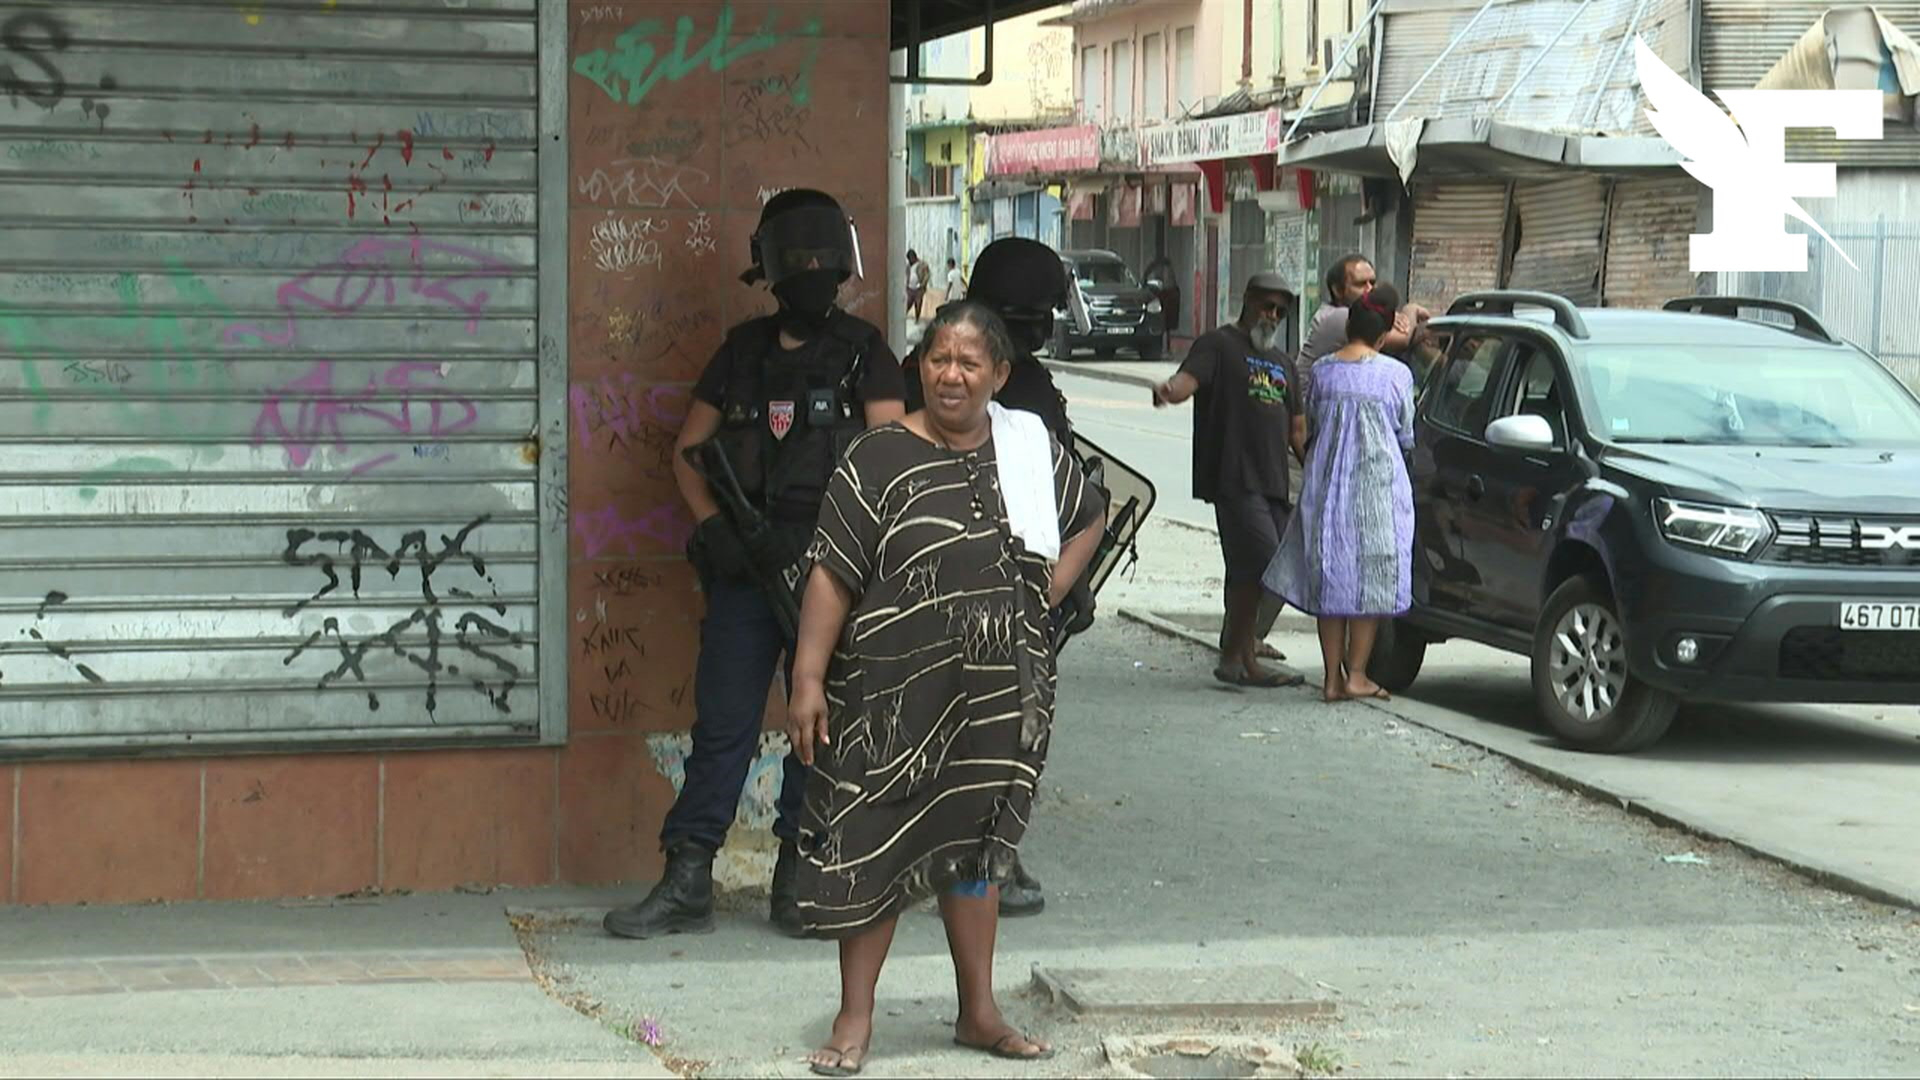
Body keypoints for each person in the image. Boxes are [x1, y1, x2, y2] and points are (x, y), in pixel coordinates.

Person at [787, 301, 1106, 1076]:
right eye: (937, 359)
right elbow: (831, 571)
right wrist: (806, 678)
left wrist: (1047, 596)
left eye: (969, 363)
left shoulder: (1029, 452)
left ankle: (978, 1013)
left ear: (999, 374)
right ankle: (854, 1020)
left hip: (1002, 698)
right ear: (918, 366)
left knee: (978, 846)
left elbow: (1089, 515)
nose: (950, 375)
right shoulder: (878, 456)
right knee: (873, 839)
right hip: (891, 700)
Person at [603, 189, 906, 942]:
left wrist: (830, 546)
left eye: (821, 270)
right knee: (725, 725)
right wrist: (721, 531)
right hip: (748, 567)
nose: (813, 283)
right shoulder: (743, 352)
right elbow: (687, 454)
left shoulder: (868, 352)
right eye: (800, 269)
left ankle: (798, 876)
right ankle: (688, 876)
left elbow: (891, 466)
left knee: (821, 727)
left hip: (832, 569)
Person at [901, 236, 1078, 919]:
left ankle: (988, 857)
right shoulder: (950, 372)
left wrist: (1061, 590)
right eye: (1024, 321)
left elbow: (1071, 501)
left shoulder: (1030, 385)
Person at [1151, 272, 1307, 689]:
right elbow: (1188, 381)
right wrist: (1169, 390)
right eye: (1266, 306)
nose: (1271, 316)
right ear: (1248, 302)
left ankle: (1234, 658)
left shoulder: (1283, 364)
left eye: (1280, 311)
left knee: (1249, 571)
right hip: (1234, 477)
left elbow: (1297, 430)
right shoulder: (1218, 344)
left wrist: (1318, 472)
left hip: (1275, 482)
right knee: (1262, 561)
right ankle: (1244, 657)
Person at [1263, 283, 1416, 704]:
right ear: (1384, 334)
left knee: (1331, 583)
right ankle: (1358, 676)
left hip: (1326, 490)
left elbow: (1310, 422)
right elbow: (1406, 435)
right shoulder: (1397, 375)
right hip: (1377, 494)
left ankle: (1331, 679)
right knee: (1368, 587)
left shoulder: (1324, 371)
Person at [905, 249, 931, 320]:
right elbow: (907, 275)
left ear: (914, 257)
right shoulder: (908, 266)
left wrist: (922, 284)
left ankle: (917, 319)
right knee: (908, 303)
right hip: (910, 288)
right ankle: (903, 317)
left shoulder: (923, 264)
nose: (909, 261)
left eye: (910, 259)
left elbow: (927, 275)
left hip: (919, 288)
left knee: (918, 303)